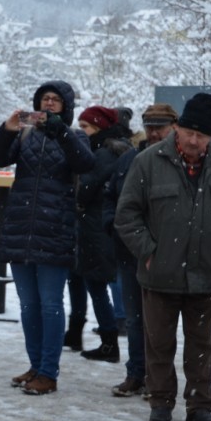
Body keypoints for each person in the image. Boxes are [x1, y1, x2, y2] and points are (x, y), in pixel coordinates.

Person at [115, 94, 211, 421]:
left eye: (201, 135)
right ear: (178, 128)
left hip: (207, 276)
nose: (193, 140)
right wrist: (150, 252)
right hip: (160, 274)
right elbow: (127, 215)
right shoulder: (148, 162)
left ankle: (200, 406)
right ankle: (161, 402)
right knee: (159, 342)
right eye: (188, 132)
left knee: (201, 344)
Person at [0, 80, 96, 395]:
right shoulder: (25, 134)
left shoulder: (74, 136)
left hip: (55, 229)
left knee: (50, 304)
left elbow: (84, 164)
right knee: (28, 305)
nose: (48, 104)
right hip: (21, 228)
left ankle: (49, 371)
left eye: (55, 101)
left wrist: (60, 131)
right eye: (44, 99)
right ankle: (35, 366)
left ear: (66, 107)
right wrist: (6, 129)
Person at [107, 103, 177, 397]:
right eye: (150, 126)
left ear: (175, 127)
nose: (154, 132)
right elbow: (113, 202)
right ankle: (137, 373)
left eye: (160, 126)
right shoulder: (130, 159)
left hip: (171, 255)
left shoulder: (183, 163)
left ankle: (159, 380)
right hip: (131, 254)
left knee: (163, 324)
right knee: (135, 319)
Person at [74, 105, 134, 364]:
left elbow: (85, 188)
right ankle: (110, 338)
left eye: (86, 127)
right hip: (102, 228)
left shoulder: (103, 153)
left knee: (96, 284)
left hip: (97, 230)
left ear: (98, 127)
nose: (82, 132)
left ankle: (110, 341)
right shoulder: (118, 148)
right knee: (100, 283)